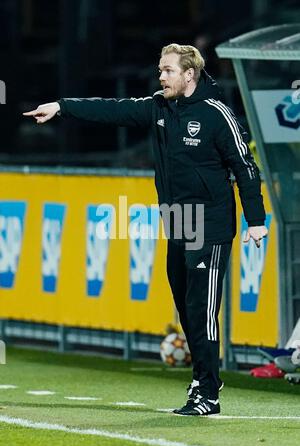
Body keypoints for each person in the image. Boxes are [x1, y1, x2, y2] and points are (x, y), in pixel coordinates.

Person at [23, 43, 268, 416]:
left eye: (168, 70)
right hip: (178, 223)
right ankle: (206, 378)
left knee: (201, 310)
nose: (161, 77)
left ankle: (207, 394)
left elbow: (246, 167)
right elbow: (113, 110)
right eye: (160, 70)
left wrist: (256, 220)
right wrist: (63, 107)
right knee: (188, 310)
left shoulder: (217, 115)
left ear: (189, 75)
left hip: (211, 226)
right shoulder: (159, 107)